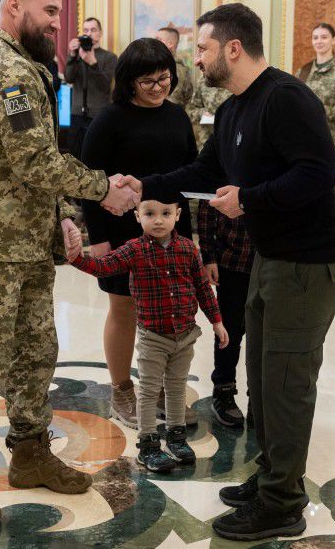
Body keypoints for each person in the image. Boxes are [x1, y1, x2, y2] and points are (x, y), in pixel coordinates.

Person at [120, 3, 335, 541]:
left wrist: (249, 199)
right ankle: (272, 478)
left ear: (232, 48)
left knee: (288, 385)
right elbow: (205, 171)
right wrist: (143, 187)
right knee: (265, 382)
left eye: (200, 49)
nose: (193, 59)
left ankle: (283, 506)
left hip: (307, 264)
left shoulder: (286, 98)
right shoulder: (231, 111)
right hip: (272, 258)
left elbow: (319, 174)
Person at [0, 0, 139, 527]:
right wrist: (103, 191)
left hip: (22, 241)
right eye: (48, 11)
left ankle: (29, 453)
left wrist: (66, 216)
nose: (56, 23)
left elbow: (32, 161)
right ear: (13, 5)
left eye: (59, 12)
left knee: (37, 352)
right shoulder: (4, 69)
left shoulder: (27, 67)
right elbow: (35, 161)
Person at [79, 37, 198, 429]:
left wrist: (191, 237)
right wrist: (98, 240)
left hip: (169, 233)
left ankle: (158, 387)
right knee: (125, 309)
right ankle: (121, 389)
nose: (159, 87)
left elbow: (190, 177)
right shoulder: (110, 120)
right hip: (120, 233)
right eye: (149, 81)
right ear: (130, 82)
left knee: (165, 311)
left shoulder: (178, 116)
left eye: (165, 78)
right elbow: (89, 183)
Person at [65, 193, 228, 472]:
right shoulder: (134, 250)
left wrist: (216, 321)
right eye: (150, 214)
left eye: (165, 213)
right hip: (153, 337)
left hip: (185, 335)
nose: (158, 220)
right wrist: (77, 258)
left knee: (176, 389)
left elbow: (203, 288)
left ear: (177, 215)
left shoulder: (188, 249)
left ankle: (176, 438)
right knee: (150, 392)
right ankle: (149, 445)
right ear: (137, 216)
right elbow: (103, 267)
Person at [197, 202, 252, 427]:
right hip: (231, 259)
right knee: (229, 331)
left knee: (265, 334)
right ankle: (223, 390)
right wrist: (208, 256)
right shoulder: (227, 166)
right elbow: (206, 207)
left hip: (271, 261)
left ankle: (258, 397)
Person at [295, 23, 335, 159]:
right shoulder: (303, 72)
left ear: (333, 40)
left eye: (324, 37)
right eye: (315, 37)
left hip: (334, 145)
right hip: (306, 144)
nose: (319, 41)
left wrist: (326, 111)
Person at [64, 17, 117, 159]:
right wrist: (72, 55)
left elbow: (106, 86)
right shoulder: (77, 55)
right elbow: (69, 78)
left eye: (93, 30)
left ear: (100, 33)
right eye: (86, 30)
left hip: (99, 114)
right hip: (76, 114)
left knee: (97, 154)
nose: (89, 33)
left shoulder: (109, 57)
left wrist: (93, 62)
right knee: (75, 155)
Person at [156, 26, 197, 113]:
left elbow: (171, 101)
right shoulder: (161, 66)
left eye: (158, 40)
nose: (154, 43)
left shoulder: (176, 70)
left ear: (170, 44)